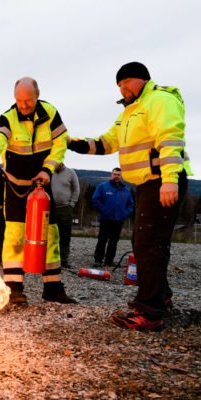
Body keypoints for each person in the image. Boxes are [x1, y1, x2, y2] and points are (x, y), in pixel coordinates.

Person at [68, 61, 192, 331]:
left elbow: (170, 139)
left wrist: (169, 180)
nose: (122, 90)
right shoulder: (129, 112)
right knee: (147, 242)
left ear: (141, 80)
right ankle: (160, 297)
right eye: (119, 86)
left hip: (162, 180)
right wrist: (72, 143)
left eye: (125, 84)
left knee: (148, 244)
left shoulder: (159, 100)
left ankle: (149, 312)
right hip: (146, 184)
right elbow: (107, 142)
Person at [0, 77, 77, 305]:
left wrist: (47, 170)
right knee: (13, 236)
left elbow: (59, 144)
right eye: (19, 101)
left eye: (28, 101)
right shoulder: (8, 118)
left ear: (37, 95)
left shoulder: (50, 113)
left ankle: (53, 288)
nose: (23, 105)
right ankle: (13, 289)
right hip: (14, 188)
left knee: (50, 235)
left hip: (41, 184)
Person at [91, 167, 134, 268]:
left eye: (118, 175)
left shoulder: (126, 191)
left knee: (114, 241)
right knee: (102, 239)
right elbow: (95, 200)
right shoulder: (103, 187)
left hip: (119, 220)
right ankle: (98, 260)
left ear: (121, 177)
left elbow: (131, 205)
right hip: (105, 218)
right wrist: (104, 210)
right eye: (114, 174)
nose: (116, 176)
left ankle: (109, 260)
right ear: (111, 175)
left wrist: (124, 214)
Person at [51, 163, 80, 269]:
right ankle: (51, 259)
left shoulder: (71, 173)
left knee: (65, 235)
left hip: (65, 209)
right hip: (50, 209)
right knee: (51, 235)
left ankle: (64, 260)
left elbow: (76, 189)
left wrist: (72, 204)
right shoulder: (49, 172)